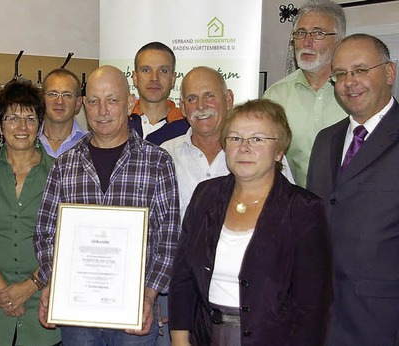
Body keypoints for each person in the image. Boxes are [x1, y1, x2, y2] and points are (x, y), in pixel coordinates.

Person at [34, 65, 181, 345]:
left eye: (112, 100)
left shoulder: (157, 162)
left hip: (134, 315)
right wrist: (57, 282)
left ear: (129, 105)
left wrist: (149, 296)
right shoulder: (65, 165)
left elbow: (170, 238)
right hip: (76, 314)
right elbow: (44, 233)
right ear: (84, 106)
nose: (102, 110)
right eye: (93, 101)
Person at [169, 99, 333, 345]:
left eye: (257, 139)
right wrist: (179, 338)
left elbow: (312, 304)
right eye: (235, 138)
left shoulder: (304, 209)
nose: (244, 148)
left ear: (279, 151)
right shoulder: (206, 195)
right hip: (205, 334)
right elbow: (183, 274)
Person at [307, 33, 399, 345]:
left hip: (382, 321)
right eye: (341, 74)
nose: (350, 82)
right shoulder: (325, 140)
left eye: (360, 70)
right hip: (323, 317)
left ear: (389, 72)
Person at [0, 80, 60, 345]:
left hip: (43, 296)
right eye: (12, 118)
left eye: (30, 118)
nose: (21, 127)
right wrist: (3, 293)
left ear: (40, 125)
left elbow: (65, 240)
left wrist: (29, 286)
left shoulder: (60, 173)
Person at [162, 66, 295, 219]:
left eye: (209, 96)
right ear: (183, 108)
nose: (201, 106)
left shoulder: (263, 153)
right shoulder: (165, 155)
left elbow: (289, 209)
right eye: (192, 99)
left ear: (228, 99)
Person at [263, 0, 347, 187]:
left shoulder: (355, 92)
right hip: (298, 207)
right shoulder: (276, 96)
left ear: (339, 41)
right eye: (301, 33)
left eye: (318, 33)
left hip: (353, 207)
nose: (306, 42)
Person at [129, 41, 189, 145]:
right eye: (146, 70)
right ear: (135, 77)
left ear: (173, 79)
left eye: (163, 71)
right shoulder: (120, 121)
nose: (154, 78)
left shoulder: (189, 126)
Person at [39, 68, 87, 158]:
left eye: (67, 95)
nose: (59, 101)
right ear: (43, 99)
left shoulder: (91, 144)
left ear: (78, 103)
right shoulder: (27, 141)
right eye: (53, 94)